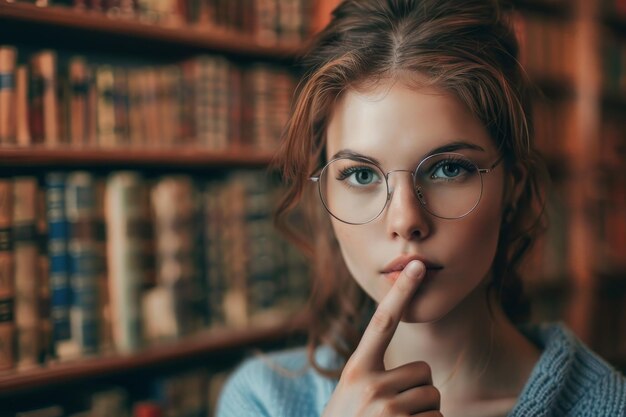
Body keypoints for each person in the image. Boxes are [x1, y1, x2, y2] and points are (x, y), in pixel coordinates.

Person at [216, 0, 626, 416]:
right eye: (361, 175)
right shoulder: (262, 400)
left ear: (513, 188)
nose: (405, 221)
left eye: (449, 169)